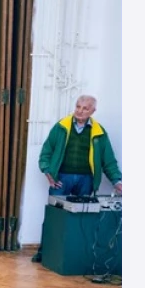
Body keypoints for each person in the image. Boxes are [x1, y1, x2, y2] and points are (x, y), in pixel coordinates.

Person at [32, 94, 123, 262]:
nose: (80, 111)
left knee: (82, 220)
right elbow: (46, 152)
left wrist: (117, 181)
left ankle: (76, 256)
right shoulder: (61, 127)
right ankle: (45, 253)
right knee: (54, 217)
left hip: (86, 180)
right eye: (78, 107)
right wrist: (48, 172)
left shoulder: (99, 132)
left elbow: (108, 161)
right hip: (61, 179)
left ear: (93, 111)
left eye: (85, 108)